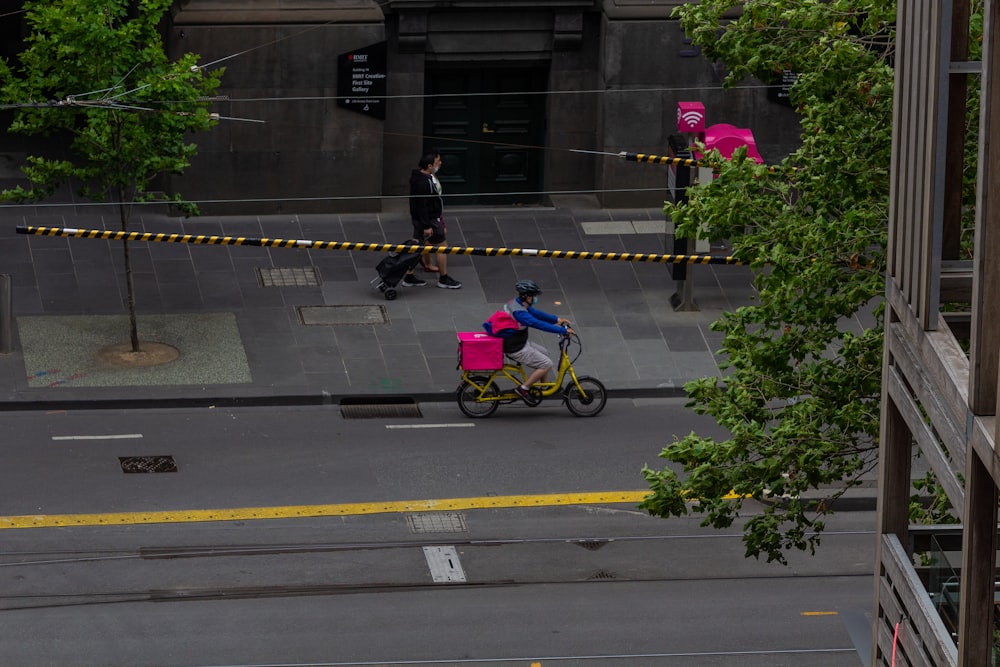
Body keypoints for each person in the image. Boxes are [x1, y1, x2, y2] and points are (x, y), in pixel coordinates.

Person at [487, 279, 574, 405]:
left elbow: (536, 313)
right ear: (527, 296)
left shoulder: (517, 303)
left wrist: (557, 319)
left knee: (544, 353)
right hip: (515, 347)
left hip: (518, 342)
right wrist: (561, 330)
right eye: (533, 295)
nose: (535, 298)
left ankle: (545, 386)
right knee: (546, 364)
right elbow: (537, 323)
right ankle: (523, 389)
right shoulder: (520, 313)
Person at [408, 151, 461, 289]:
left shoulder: (422, 177)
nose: (441, 163)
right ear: (430, 165)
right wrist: (427, 225)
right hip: (429, 220)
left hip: (422, 220)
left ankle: (409, 276)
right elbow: (422, 206)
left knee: (416, 246)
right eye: (438, 161)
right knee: (442, 246)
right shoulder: (423, 182)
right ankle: (443, 278)